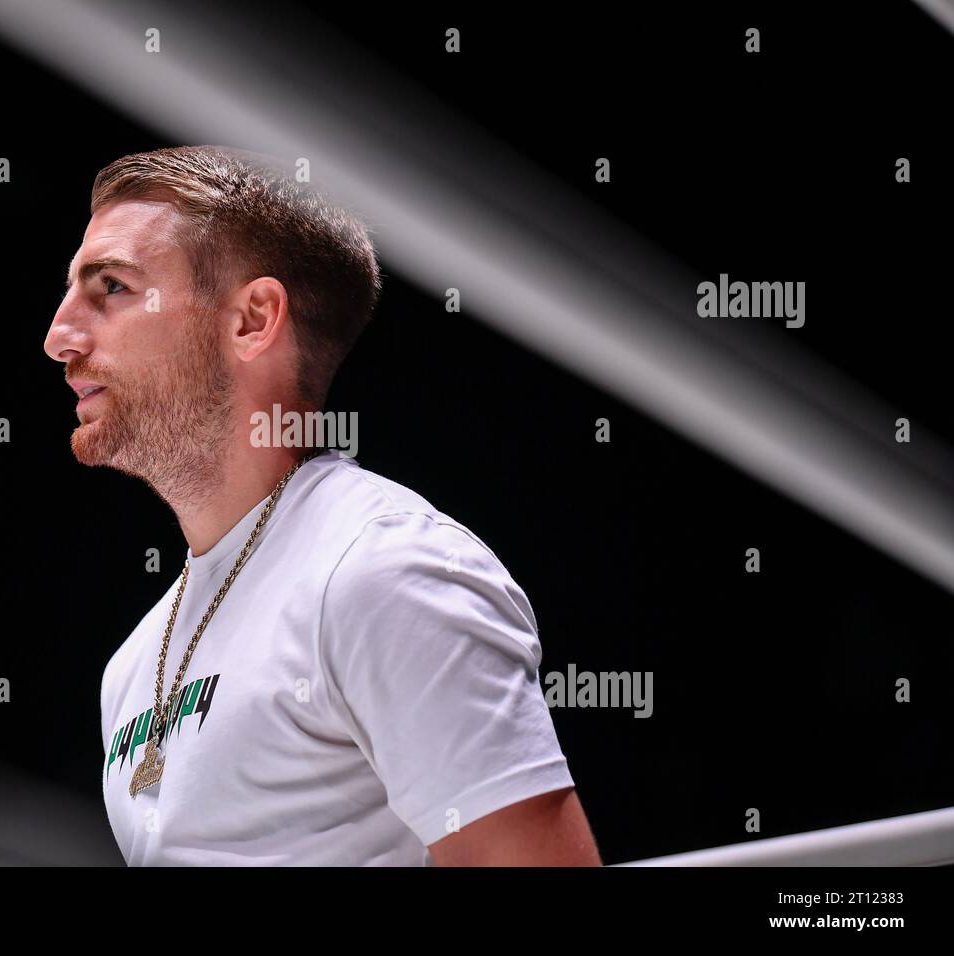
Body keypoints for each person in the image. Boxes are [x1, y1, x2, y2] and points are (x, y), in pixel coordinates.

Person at [43, 145, 601, 866]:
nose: (59, 337)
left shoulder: (386, 570)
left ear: (252, 319)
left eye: (111, 287)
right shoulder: (130, 664)